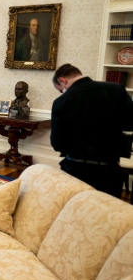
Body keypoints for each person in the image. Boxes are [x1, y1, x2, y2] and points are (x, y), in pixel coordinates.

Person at [50, 63, 133, 197]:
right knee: (107, 212)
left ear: (62, 81)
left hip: (75, 169)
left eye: (60, 90)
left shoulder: (62, 101)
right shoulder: (116, 90)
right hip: (110, 169)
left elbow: (57, 143)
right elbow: (130, 124)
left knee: (75, 211)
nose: (62, 93)